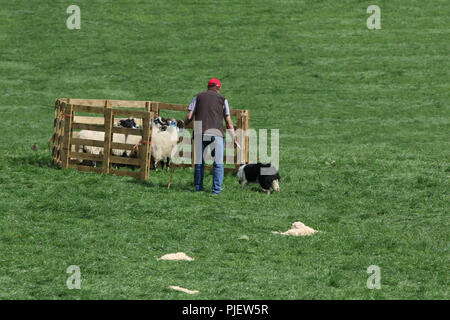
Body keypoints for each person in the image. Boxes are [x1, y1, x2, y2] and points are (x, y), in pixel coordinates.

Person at [184, 78, 237, 194]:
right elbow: (228, 121)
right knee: (218, 163)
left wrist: (184, 125)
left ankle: (198, 188)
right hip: (216, 132)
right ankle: (216, 190)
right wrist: (234, 137)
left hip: (199, 131)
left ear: (208, 87)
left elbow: (189, 117)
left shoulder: (198, 96)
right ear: (217, 87)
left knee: (199, 162)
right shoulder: (223, 99)